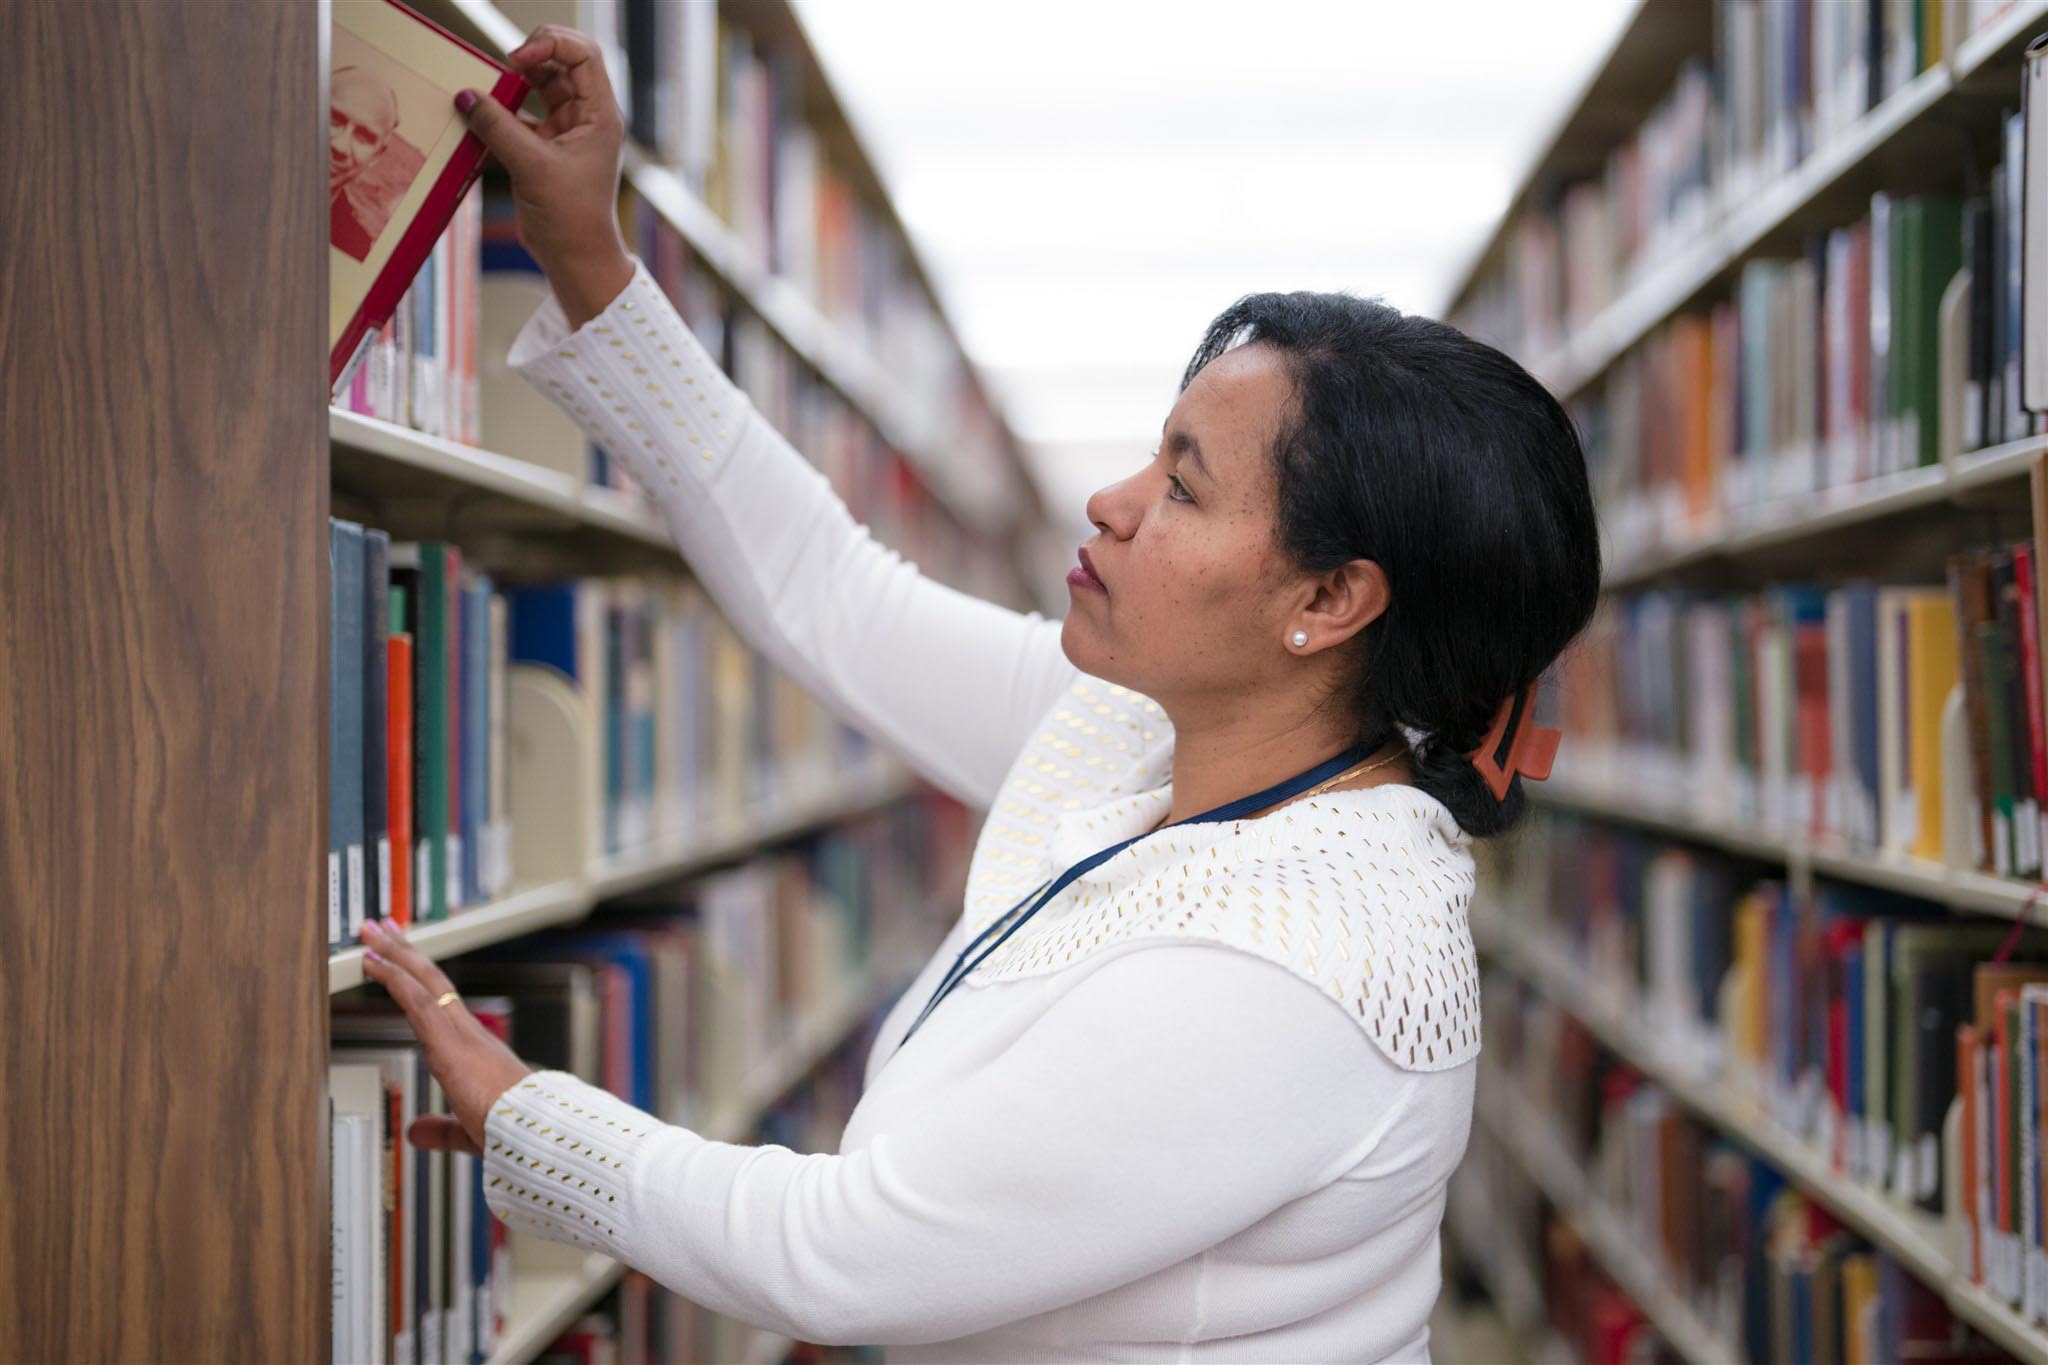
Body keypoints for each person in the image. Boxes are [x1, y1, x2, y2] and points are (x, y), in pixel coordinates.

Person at [359, 25, 1601, 1363]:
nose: (1109, 503)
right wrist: (591, 260)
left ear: (1328, 601)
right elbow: (830, 590)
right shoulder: (1147, 738)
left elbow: (841, 1255)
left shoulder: (1291, 969)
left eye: (1183, 485)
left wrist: (530, 1114)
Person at [330, 64, 425, 261]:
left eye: (363, 136)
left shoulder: (353, 246)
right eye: (334, 118)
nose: (340, 146)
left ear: (376, 157)